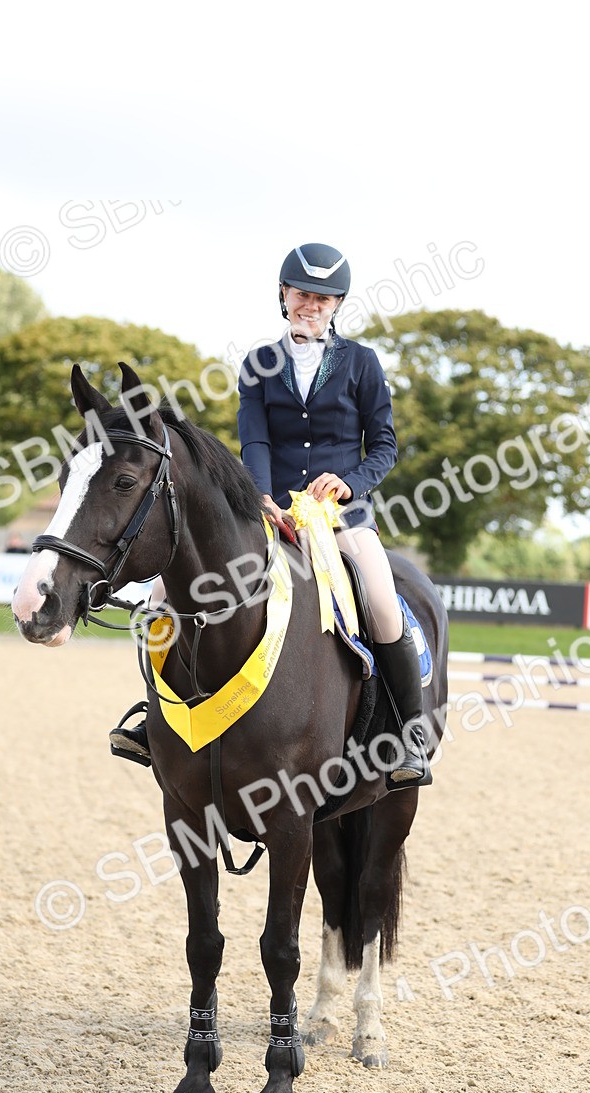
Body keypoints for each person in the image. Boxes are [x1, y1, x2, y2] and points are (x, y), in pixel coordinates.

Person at [110, 242, 432, 790]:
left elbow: (383, 445)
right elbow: (253, 437)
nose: (312, 304)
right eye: (303, 293)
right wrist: (258, 495)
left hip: (341, 519)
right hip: (268, 511)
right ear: (283, 294)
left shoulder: (362, 363)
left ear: (338, 305)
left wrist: (349, 485)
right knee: (165, 598)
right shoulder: (260, 364)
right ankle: (154, 720)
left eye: (324, 298)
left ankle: (409, 736)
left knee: (381, 600)